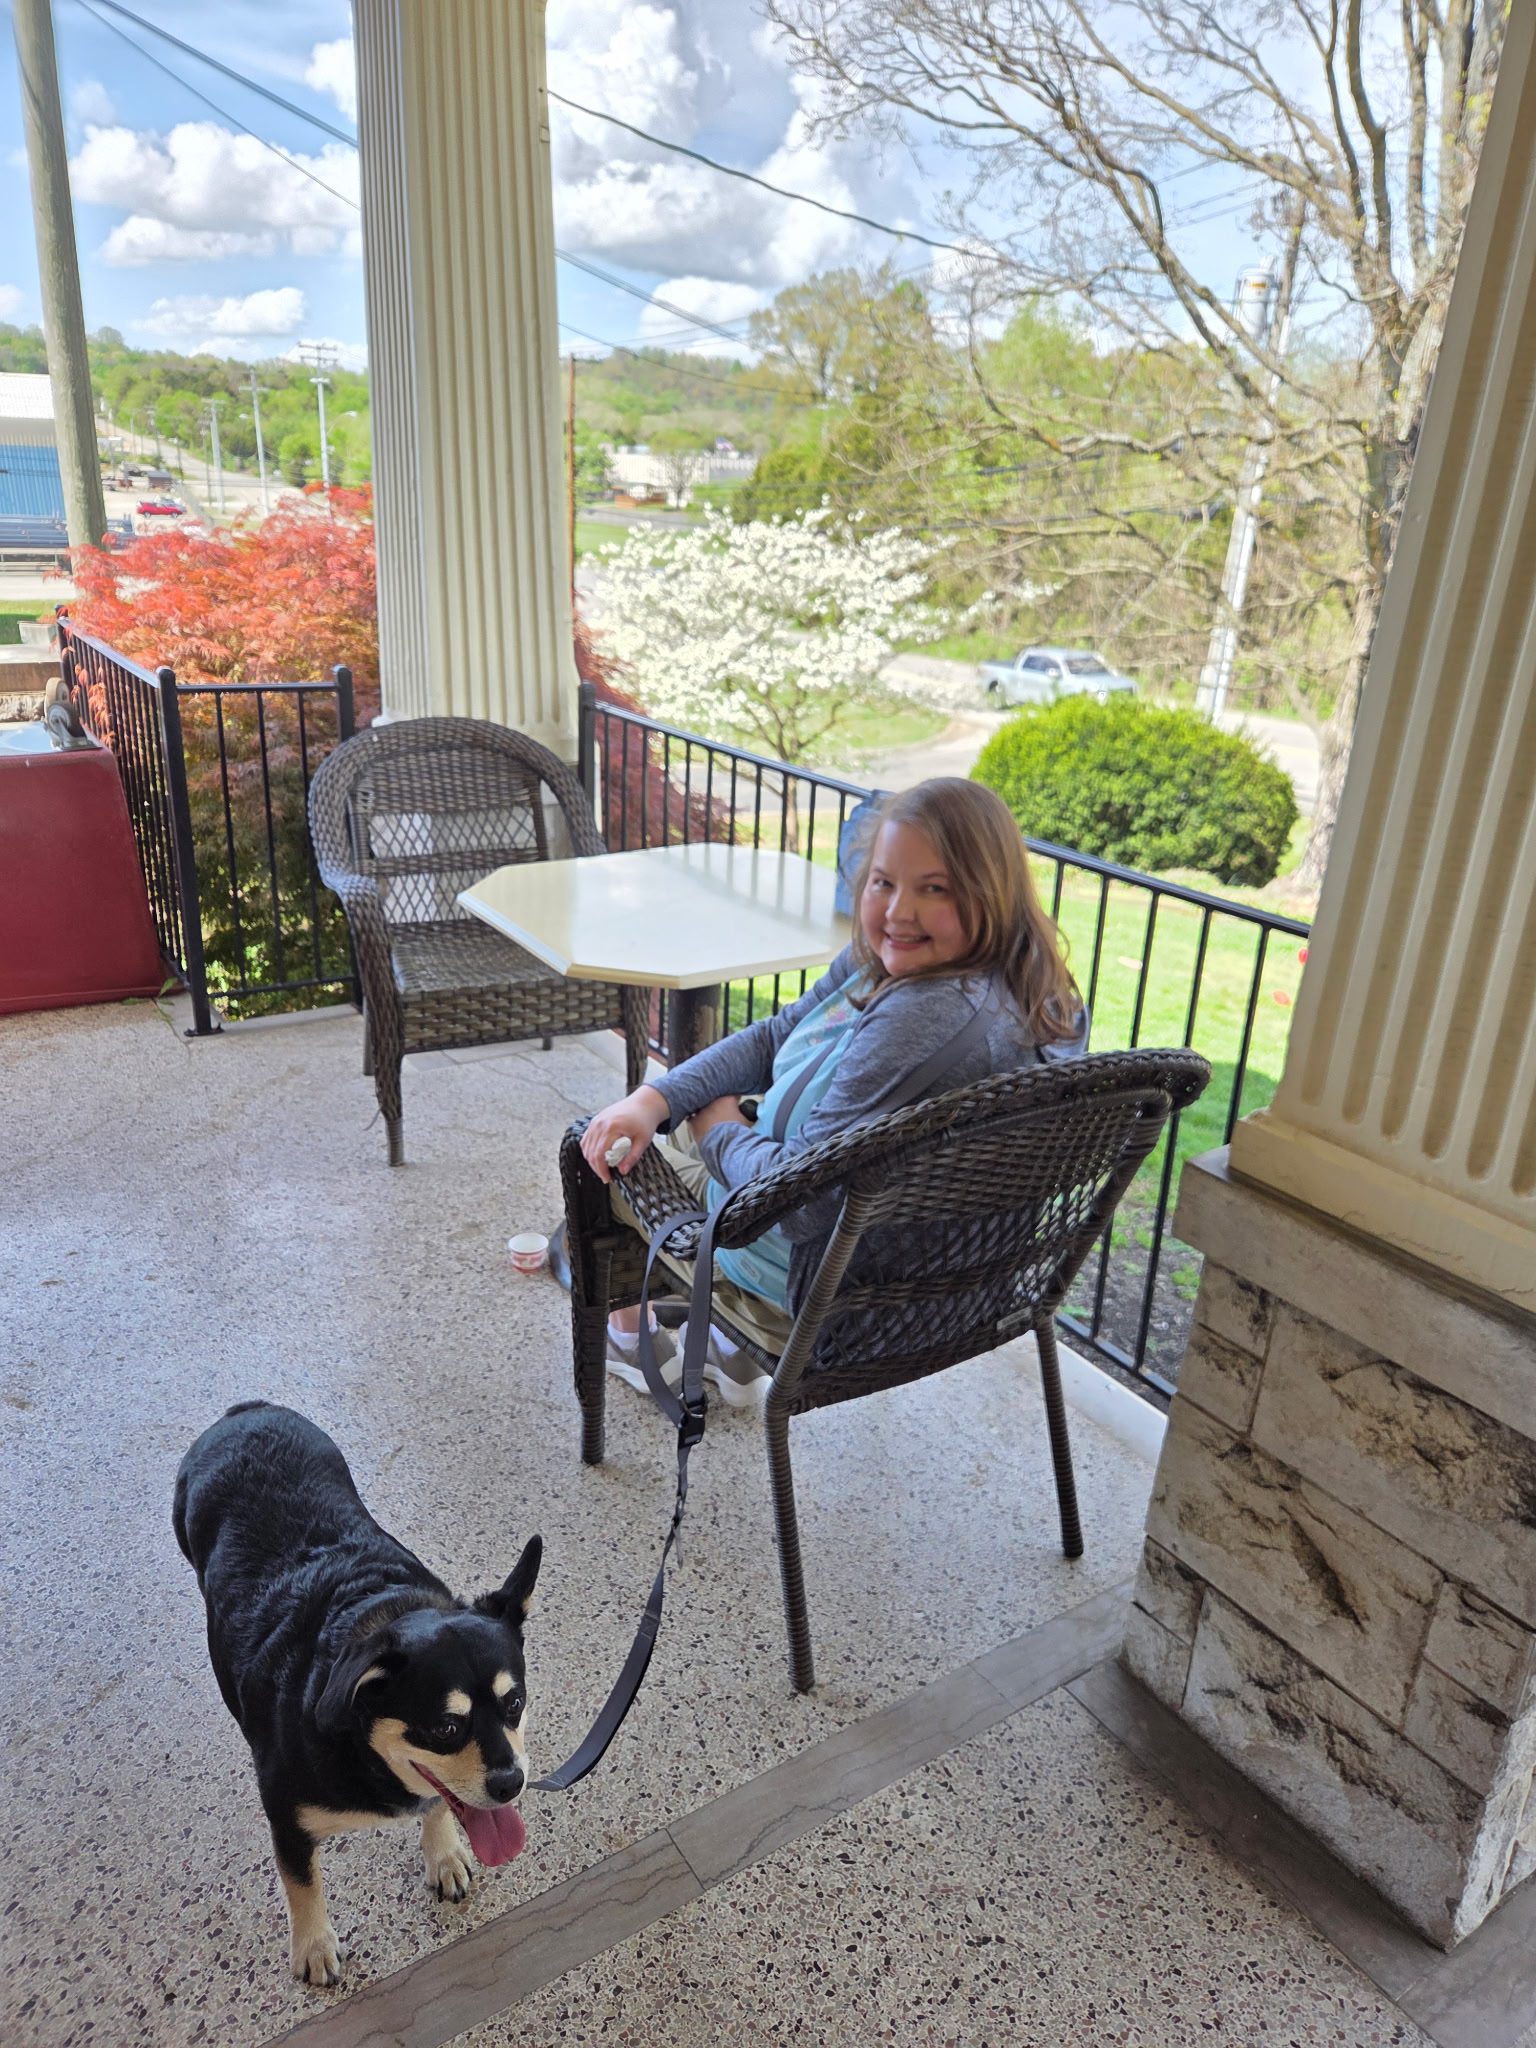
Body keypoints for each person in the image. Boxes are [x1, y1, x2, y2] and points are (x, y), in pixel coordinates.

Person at [580, 776, 1087, 1406]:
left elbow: (800, 1202)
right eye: (884, 882)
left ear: (989, 890)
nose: (899, 911)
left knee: (597, 1150)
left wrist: (717, 1132)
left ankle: (633, 1340)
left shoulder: (931, 1013)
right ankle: (734, 1357)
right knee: (656, 1116)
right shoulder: (1023, 976)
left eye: (935, 889)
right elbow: (776, 1036)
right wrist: (653, 1100)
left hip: (825, 1281)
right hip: (933, 1269)